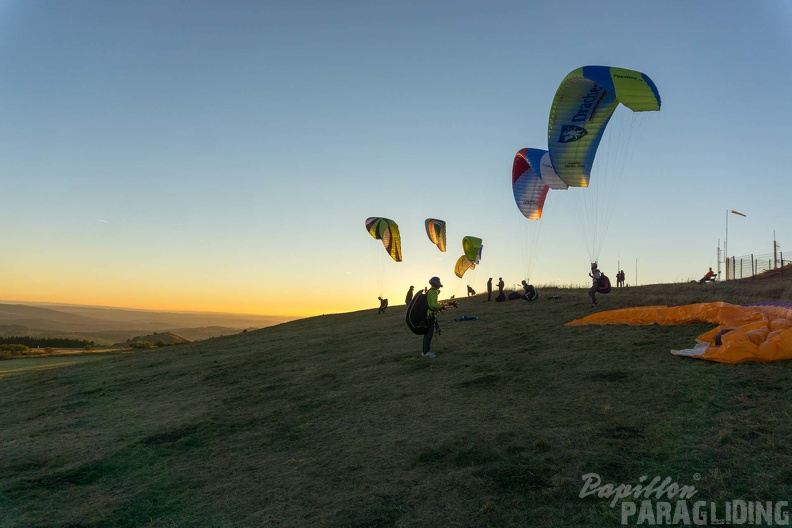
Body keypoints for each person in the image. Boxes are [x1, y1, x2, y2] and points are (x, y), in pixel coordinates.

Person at [422, 276, 446, 358]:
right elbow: (433, 304)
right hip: (430, 316)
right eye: (438, 283)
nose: (439, 284)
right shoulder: (433, 292)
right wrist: (441, 306)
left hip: (427, 314)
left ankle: (425, 351)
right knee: (429, 334)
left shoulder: (431, 291)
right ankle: (426, 352)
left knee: (426, 334)